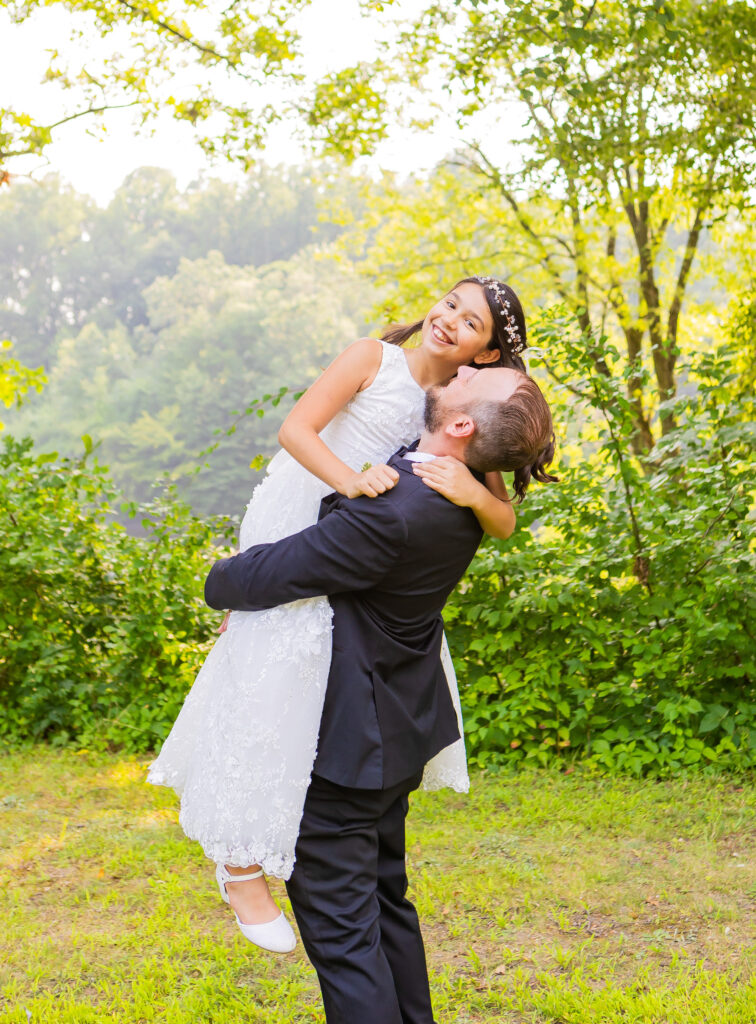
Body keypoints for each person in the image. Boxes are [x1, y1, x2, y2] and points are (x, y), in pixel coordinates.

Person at [147, 275, 529, 953]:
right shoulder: (372, 360)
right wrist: (347, 479)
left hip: (361, 545)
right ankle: (238, 860)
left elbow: (502, 522)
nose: (448, 321)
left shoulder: (459, 410)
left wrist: (471, 488)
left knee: (311, 692)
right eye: (448, 304)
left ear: (486, 354)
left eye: (470, 323)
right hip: (308, 509)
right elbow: (296, 428)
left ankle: (290, 829)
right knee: (269, 666)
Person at [204, 364, 556, 1023]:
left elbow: (269, 574)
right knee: (385, 904)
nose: (464, 370)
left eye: (477, 377)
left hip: (348, 750)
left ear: (460, 425)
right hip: (398, 731)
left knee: (344, 938)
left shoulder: (392, 514)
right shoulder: (463, 490)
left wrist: (216, 579)